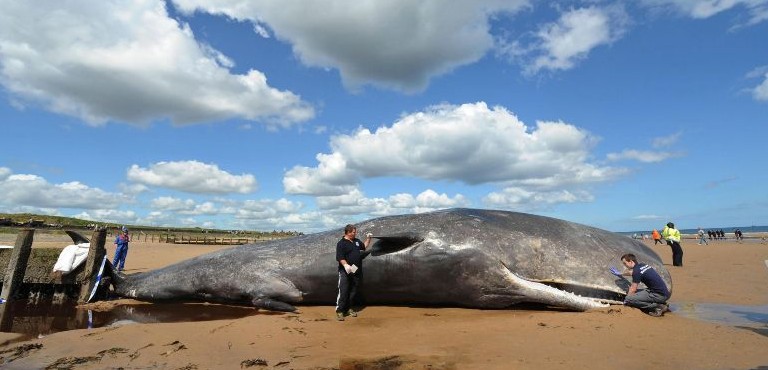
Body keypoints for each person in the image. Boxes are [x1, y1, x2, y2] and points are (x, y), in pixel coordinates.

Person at [335, 224, 372, 321]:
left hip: (355, 270)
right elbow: (340, 257)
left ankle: (348, 309)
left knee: (353, 291)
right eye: (353, 232)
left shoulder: (356, 241)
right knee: (343, 291)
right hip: (345, 271)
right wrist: (345, 265)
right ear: (348, 232)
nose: (355, 233)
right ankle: (340, 311)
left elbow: (364, 247)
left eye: (355, 232)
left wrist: (368, 238)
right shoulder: (341, 243)